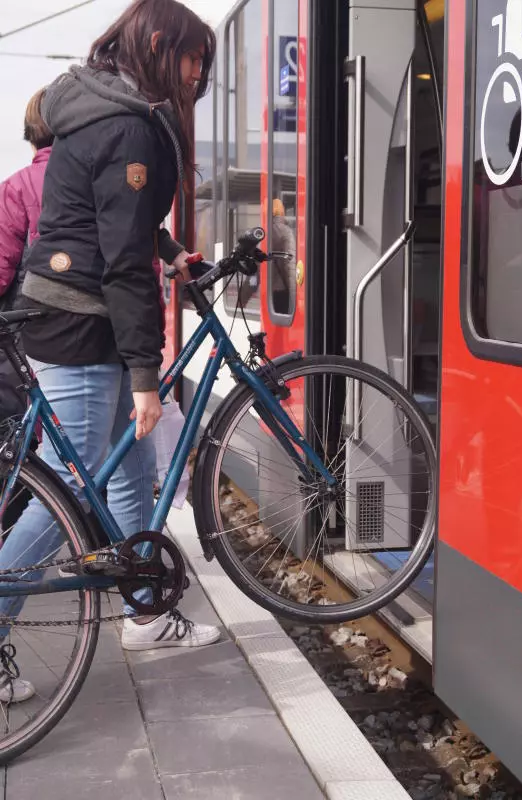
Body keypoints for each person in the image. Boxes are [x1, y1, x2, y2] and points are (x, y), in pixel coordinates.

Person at [0, 0, 220, 702]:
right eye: (192, 57)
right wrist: (146, 375)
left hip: (80, 316)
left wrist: (171, 250)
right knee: (72, 486)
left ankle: (145, 614)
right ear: (157, 45)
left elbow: (115, 219)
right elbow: (122, 260)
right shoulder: (127, 125)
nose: (197, 73)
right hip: (80, 324)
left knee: (127, 475)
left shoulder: (104, 107)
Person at [0, 89, 53, 532]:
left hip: (19, 342)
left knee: (16, 443)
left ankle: (14, 542)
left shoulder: (16, 187)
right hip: (80, 340)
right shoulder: (94, 182)